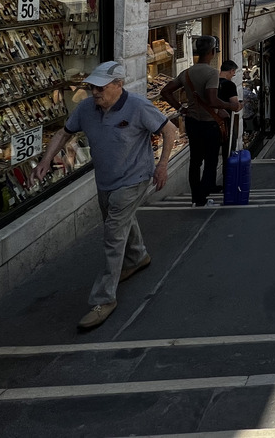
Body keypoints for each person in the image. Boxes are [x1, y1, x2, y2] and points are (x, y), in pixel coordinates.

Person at [34, 60, 179, 330]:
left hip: (134, 179)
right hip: (106, 181)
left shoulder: (137, 106)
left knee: (113, 234)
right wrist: (46, 159)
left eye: (100, 88)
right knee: (119, 221)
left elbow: (170, 131)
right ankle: (137, 256)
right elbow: (63, 133)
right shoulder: (86, 109)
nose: (95, 93)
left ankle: (104, 299)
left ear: (118, 85)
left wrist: (162, 165)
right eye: (91, 88)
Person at [159, 36, 233, 207]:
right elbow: (212, 100)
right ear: (212, 52)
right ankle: (203, 197)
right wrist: (230, 105)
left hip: (192, 122)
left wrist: (181, 108)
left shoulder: (186, 73)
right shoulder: (212, 73)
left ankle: (196, 197)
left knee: (195, 160)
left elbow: (165, 92)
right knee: (211, 160)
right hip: (209, 123)